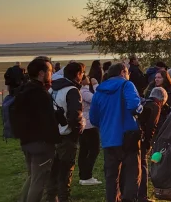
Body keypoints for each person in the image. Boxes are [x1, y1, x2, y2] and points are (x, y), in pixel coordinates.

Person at [90, 63, 143, 202]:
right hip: (128, 137)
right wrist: (139, 109)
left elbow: (93, 118)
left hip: (108, 139)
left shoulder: (99, 91)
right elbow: (134, 105)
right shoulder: (127, 85)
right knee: (132, 174)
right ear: (122, 72)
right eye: (127, 72)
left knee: (111, 177)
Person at [11, 56, 60, 202]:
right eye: (49, 71)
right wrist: (55, 140)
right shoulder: (40, 94)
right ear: (41, 73)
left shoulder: (23, 90)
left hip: (26, 141)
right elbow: (47, 121)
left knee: (33, 176)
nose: (51, 74)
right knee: (39, 181)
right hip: (41, 143)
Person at [47, 62, 86, 202]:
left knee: (53, 170)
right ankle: (64, 198)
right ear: (77, 74)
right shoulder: (72, 91)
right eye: (82, 73)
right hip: (66, 135)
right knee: (65, 170)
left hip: (52, 135)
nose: (83, 76)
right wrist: (77, 131)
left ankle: (51, 197)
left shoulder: (52, 89)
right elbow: (75, 116)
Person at [137, 87, 166, 202]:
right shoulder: (155, 107)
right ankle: (142, 196)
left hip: (130, 137)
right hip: (141, 140)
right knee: (143, 167)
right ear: (161, 100)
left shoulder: (143, 102)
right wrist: (148, 144)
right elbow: (151, 127)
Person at [78, 61, 103, 186]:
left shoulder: (80, 91)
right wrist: (96, 84)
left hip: (83, 124)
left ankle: (83, 174)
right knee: (94, 150)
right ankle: (87, 175)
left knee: (84, 150)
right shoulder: (84, 91)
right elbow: (97, 99)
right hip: (89, 124)